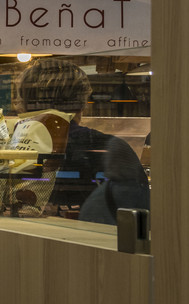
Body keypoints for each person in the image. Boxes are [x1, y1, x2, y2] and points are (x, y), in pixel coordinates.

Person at [15, 57, 149, 224]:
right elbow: (140, 219)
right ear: (83, 102)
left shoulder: (7, 145)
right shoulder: (109, 147)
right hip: (95, 245)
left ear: (24, 103)